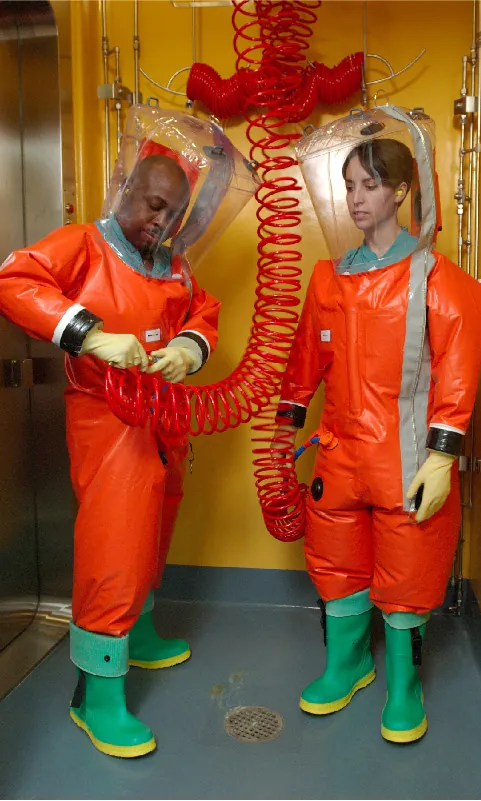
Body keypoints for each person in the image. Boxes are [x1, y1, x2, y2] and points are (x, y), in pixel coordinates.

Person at [275, 117, 481, 743]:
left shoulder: (434, 279)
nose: (356, 199)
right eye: (349, 186)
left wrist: (442, 453)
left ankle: (403, 685)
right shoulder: (329, 279)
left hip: (405, 457)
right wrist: (287, 426)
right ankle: (346, 664)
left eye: (369, 184)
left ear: (400, 190)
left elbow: (459, 366)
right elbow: (304, 360)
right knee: (337, 564)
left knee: (408, 571)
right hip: (340, 452)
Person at [0, 151, 220, 758]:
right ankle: (97, 695)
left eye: (173, 214)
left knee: (157, 524)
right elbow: (15, 280)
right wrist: (88, 332)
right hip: (106, 418)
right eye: (154, 205)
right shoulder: (83, 245)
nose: (162, 221)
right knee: (116, 540)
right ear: (124, 187)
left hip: (162, 414)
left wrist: (188, 348)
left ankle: (140, 630)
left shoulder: (169, 264)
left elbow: (204, 311)